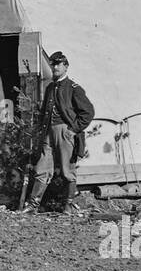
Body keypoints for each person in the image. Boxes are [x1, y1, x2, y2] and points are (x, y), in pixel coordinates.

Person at [21, 51, 95, 215]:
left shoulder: (74, 88)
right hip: (48, 133)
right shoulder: (50, 88)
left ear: (66, 67)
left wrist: (73, 130)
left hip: (65, 132)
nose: (54, 67)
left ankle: (68, 205)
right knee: (42, 167)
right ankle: (33, 205)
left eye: (58, 64)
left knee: (68, 170)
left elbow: (88, 112)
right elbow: (43, 113)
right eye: (53, 64)